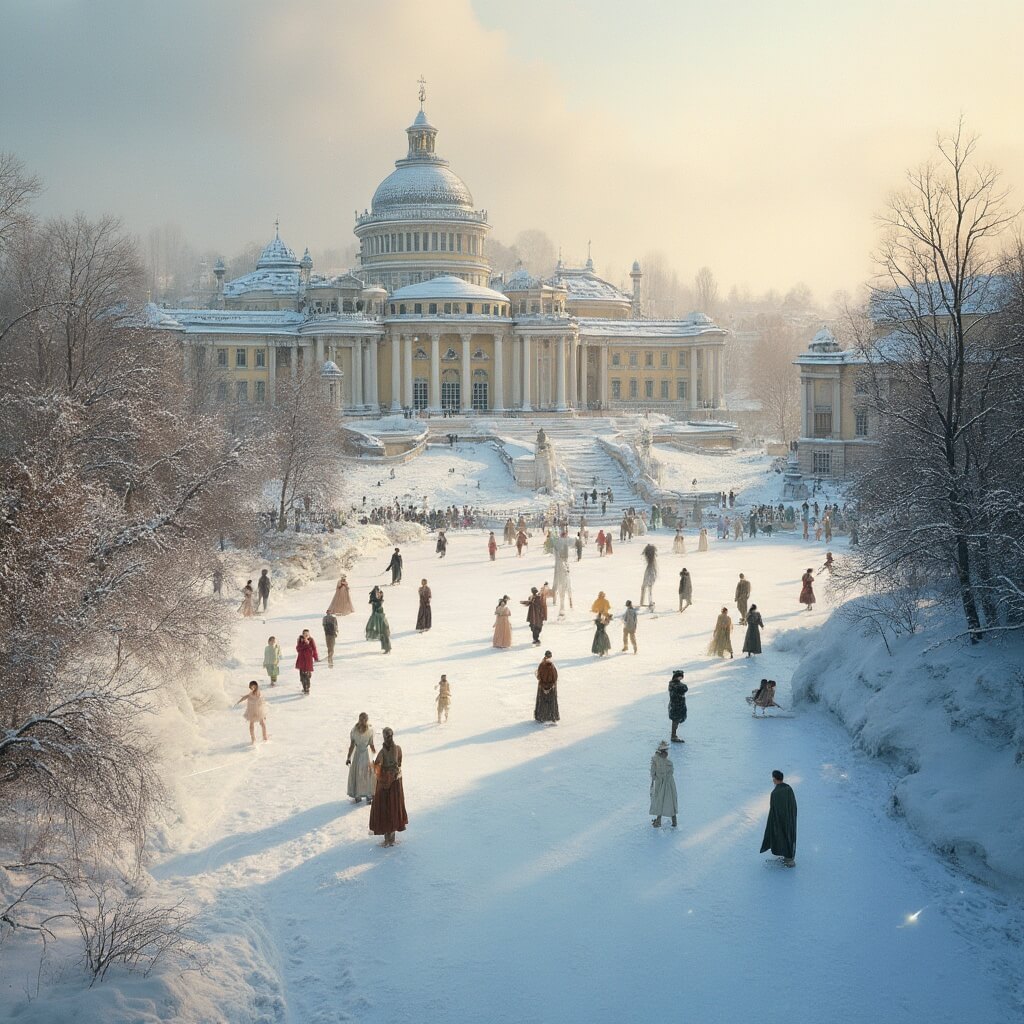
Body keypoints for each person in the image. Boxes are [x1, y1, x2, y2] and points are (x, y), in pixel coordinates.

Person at [369, 727, 408, 847]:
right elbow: (398, 763)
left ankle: (389, 839)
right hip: (392, 782)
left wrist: (383, 772)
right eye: (387, 736)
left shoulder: (388, 750)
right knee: (390, 808)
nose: (388, 738)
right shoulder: (393, 749)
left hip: (389, 783)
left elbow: (377, 765)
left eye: (389, 736)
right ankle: (389, 839)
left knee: (388, 808)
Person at [760, 770, 797, 867]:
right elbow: (793, 805)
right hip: (790, 818)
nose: (773, 781)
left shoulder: (775, 793)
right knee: (789, 836)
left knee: (781, 836)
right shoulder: (788, 788)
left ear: (775, 779)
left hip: (780, 819)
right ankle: (789, 858)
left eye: (773, 778)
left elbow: (773, 809)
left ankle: (789, 860)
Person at [345, 712, 376, 803]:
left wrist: (348, 757)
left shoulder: (354, 730)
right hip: (365, 754)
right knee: (366, 775)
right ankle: (367, 795)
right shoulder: (369, 730)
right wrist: (375, 756)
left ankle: (359, 796)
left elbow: (352, 745)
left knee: (359, 774)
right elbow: (371, 745)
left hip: (359, 754)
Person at [649, 740, 678, 828]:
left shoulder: (655, 759)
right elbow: (671, 771)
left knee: (659, 801)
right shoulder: (668, 760)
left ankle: (658, 821)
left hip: (661, 783)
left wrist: (655, 778)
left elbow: (652, 772)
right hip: (668, 783)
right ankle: (673, 821)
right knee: (670, 801)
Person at [235, 680, 269, 745]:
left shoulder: (259, 693)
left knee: (262, 723)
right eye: (251, 686)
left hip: (259, 710)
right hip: (251, 711)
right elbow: (245, 697)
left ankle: (265, 737)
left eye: (253, 686)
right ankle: (253, 739)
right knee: (251, 725)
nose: (252, 688)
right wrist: (239, 701)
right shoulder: (251, 693)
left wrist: (264, 714)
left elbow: (262, 702)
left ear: (256, 686)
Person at [534, 651, 559, 724]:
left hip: (542, 687)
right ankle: (551, 717)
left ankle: (541, 716)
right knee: (551, 702)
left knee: (542, 702)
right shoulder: (552, 666)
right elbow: (555, 677)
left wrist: (543, 684)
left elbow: (538, 676)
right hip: (551, 688)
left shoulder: (541, 665)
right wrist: (551, 685)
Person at [366, 586, 392, 654]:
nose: (378, 594)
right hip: (378, 618)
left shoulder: (378, 601)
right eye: (377, 593)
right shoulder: (375, 600)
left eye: (379, 593)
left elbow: (378, 603)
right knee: (382, 634)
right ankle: (386, 648)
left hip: (380, 618)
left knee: (384, 633)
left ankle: (387, 648)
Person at [295, 629, 319, 694]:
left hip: (308, 660)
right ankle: (304, 687)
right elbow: (298, 649)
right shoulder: (300, 640)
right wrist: (305, 644)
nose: (306, 636)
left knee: (307, 675)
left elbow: (314, 649)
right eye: (305, 634)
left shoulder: (311, 640)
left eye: (307, 634)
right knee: (302, 675)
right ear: (302, 635)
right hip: (301, 660)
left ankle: (307, 688)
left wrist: (316, 657)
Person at [668, 669, 688, 742]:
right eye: (679, 677)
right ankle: (673, 736)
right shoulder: (674, 684)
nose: (681, 678)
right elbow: (684, 688)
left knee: (676, 720)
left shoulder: (674, 684)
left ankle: (673, 735)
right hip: (676, 706)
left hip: (679, 705)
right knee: (675, 720)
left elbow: (684, 688)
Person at [639, 543, 658, 608]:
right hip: (652, 571)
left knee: (645, 587)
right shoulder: (652, 560)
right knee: (649, 588)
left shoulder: (650, 561)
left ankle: (644, 602)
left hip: (650, 572)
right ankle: (649, 602)